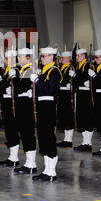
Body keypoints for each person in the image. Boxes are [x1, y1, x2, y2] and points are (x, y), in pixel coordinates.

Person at [31, 47, 62, 182]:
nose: (41, 59)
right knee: (43, 137)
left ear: (51, 57)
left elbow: (50, 89)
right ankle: (46, 170)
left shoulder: (54, 71)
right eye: (41, 56)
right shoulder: (44, 71)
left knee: (49, 137)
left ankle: (52, 171)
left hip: (49, 106)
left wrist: (37, 81)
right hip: (42, 105)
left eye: (44, 56)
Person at [13, 48, 38, 175]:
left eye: (21, 57)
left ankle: (32, 164)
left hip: (27, 106)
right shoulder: (22, 71)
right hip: (21, 104)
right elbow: (19, 88)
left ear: (28, 58)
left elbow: (21, 87)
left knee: (28, 133)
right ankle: (28, 163)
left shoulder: (31, 70)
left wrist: (16, 82)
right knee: (24, 133)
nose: (18, 59)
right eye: (18, 57)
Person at [0, 49, 21, 167]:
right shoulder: (7, 72)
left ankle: (14, 157)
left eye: (7, 59)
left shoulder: (16, 71)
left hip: (13, 106)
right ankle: (12, 156)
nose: (6, 61)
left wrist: (12, 90)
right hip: (7, 105)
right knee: (8, 130)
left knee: (12, 130)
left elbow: (20, 87)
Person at [73, 48, 95, 152]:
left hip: (86, 94)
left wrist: (77, 78)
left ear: (84, 56)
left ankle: (88, 143)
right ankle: (84, 142)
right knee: (81, 117)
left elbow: (85, 80)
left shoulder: (88, 66)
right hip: (81, 93)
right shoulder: (79, 68)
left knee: (87, 118)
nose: (77, 57)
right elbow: (78, 80)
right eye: (76, 56)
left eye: (78, 55)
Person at [56, 51, 76, 147]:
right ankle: (66, 139)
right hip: (61, 94)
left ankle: (69, 140)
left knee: (68, 117)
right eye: (62, 58)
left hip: (67, 95)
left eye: (64, 58)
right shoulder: (61, 68)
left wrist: (70, 82)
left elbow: (69, 81)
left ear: (68, 58)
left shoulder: (70, 68)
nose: (62, 60)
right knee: (63, 116)